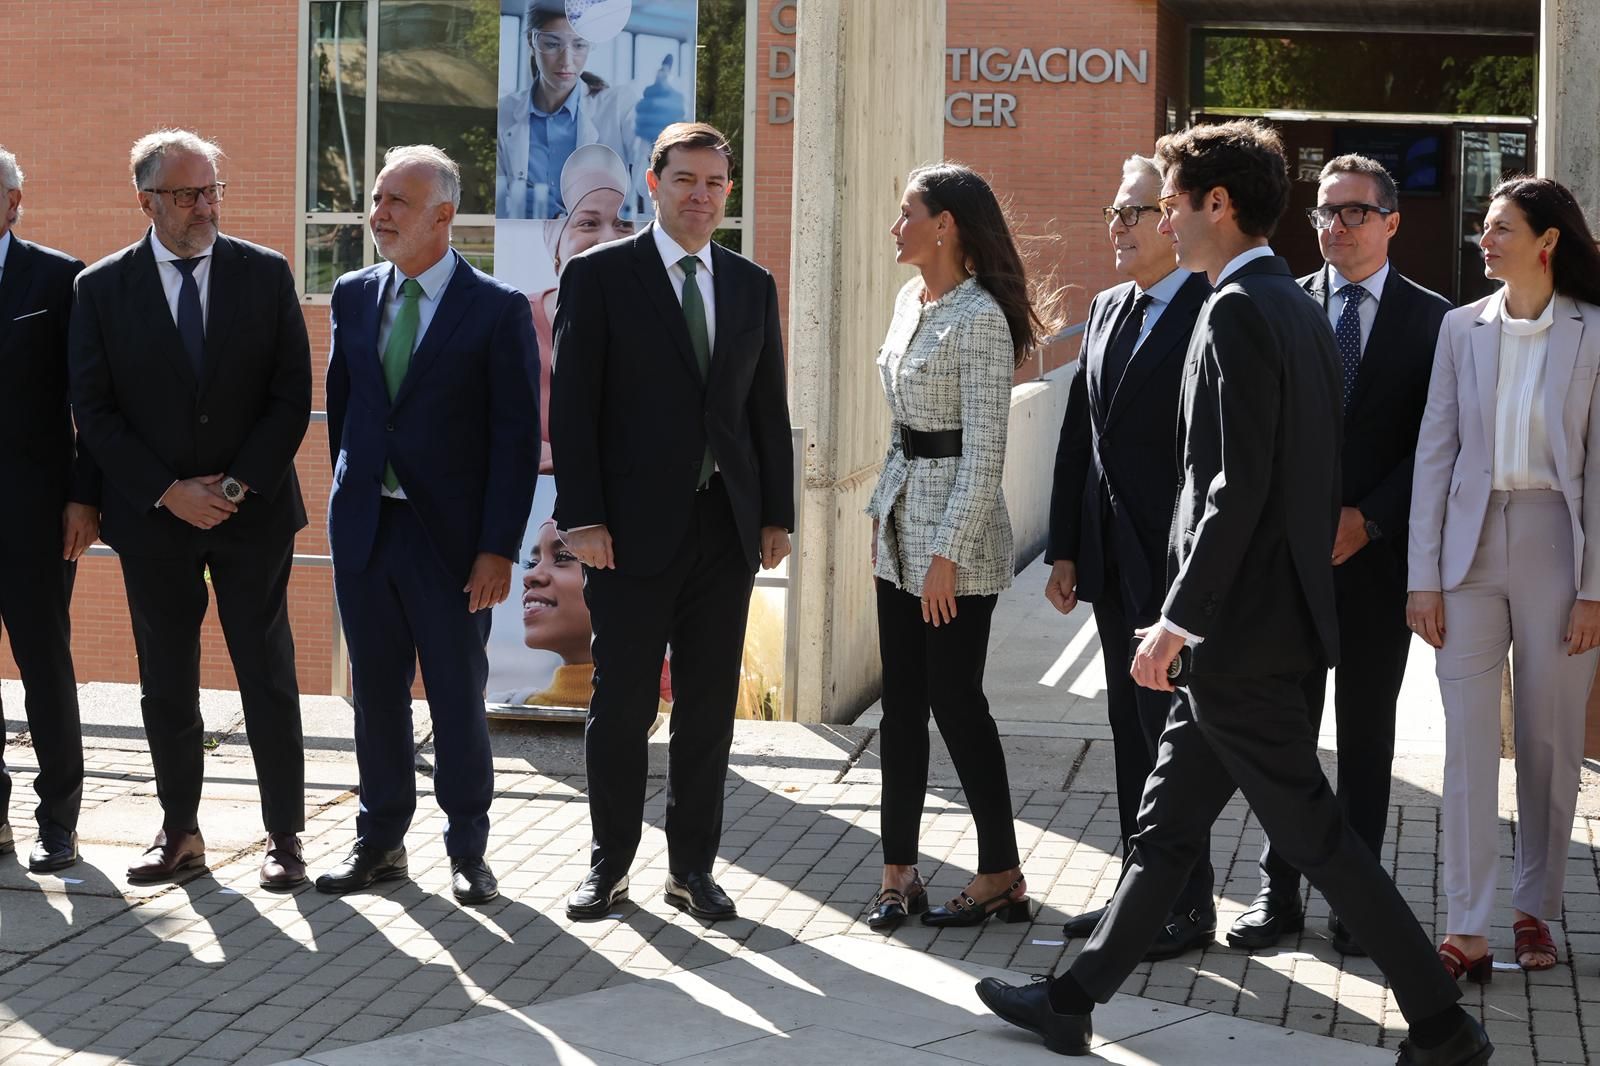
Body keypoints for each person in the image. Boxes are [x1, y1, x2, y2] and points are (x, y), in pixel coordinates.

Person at [975, 120, 1490, 1066]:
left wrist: (1177, 619)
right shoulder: (1282, 302)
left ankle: (1442, 1023)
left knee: (1321, 840)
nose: (1161, 215)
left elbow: (1233, 490)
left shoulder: (1243, 310)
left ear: (1217, 204)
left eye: (1170, 199)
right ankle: (1072, 1000)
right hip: (1257, 630)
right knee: (1167, 833)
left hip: (1238, 641)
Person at [550, 121, 794, 922]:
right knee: (621, 707)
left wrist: (776, 516)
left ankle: (692, 868)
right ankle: (608, 865)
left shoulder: (751, 283)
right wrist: (580, 517)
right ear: (652, 186)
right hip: (623, 534)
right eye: (686, 180)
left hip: (723, 529)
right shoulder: (600, 277)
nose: (701, 195)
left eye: (716, 183)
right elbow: (574, 406)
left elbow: (766, 410)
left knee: (707, 709)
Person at [68, 129, 311, 889]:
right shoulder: (101, 289)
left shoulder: (265, 273)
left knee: (266, 674)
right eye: (186, 194)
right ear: (145, 200)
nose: (204, 205)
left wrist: (232, 488)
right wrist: (169, 492)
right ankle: (180, 833)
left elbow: (290, 396)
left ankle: (284, 837)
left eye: (212, 191)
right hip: (154, 521)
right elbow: (94, 409)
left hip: (254, 515)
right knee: (165, 680)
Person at [1231, 154, 1451, 955]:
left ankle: (1358, 905)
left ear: (1392, 222)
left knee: (1364, 740)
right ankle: (1275, 893)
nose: (1336, 227)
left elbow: (1439, 444)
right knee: (1286, 736)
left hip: (1375, 565)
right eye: (1325, 212)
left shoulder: (1436, 320)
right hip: (1287, 566)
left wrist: (1371, 520)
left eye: (1355, 212)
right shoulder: (1281, 307)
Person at [320, 144, 539, 906]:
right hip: (366, 533)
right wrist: (351, 501)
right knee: (375, 696)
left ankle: (469, 852)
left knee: (454, 698)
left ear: (443, 217)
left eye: (396, 204)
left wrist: (496, 549)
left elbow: (516, 442)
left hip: (451, 546)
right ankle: (379, 843)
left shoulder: (497, 309)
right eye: (377, 200)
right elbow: (345, 414)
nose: (378, 215)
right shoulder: (352, 294)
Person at [1408, 175, 1600, 979]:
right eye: (1483, 229)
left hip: (1561, 543)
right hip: (1469, 549)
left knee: (1550, 744)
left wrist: (1596, 589)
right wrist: (1422, 576)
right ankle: (1468, 925)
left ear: (1546, 241)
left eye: (1499, 229)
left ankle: (1535, 913)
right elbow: (1435, 452)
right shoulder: (1462, 330)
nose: (1482, 241)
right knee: (1465, 743)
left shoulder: (1594, 332)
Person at [861, 163, 1050, 932]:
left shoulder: (981, 319)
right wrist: (883, 513)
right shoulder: (912, 300)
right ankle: (896, 873)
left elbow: (984, 454)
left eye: (907, 212)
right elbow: (905, 421)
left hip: (956, 544)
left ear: (946, 225)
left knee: (956, 703)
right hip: (898, 527)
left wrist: (945, 553)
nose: (895, 226)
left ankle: (1001, 871)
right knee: (900, 709)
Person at [1046, 155, 1213, 953]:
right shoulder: (1109, 306)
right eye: (1114, 211)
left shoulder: (1214, 309)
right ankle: (1136, 893)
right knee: (1126, 728)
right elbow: (1080, 437)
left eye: (1133, 212)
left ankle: (1186, 903)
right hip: (1111, 565)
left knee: (1173, 737)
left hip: (1175, 565)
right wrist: (1066, 550)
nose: (1116, 225)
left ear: (1173, 224)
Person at [0, 145, 95, 873]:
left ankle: (57, 822)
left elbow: (90, 405)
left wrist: (82, 497)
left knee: (45, 669)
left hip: (35, 517)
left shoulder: (60, 279)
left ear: (12, 202)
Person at [529, 144, 636, 472]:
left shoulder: (661, 325)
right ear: (556, 243)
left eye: (623, 224)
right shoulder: (513, 321)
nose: (607, 239)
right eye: (588, 224)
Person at [496, 0, 633, 219]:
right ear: (532, 42)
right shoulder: (504, 111)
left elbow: (652, 174)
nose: (566, 61)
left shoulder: (618, 106)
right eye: (552, 44)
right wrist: (516, 205)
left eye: (579, 45)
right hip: (522, 240)